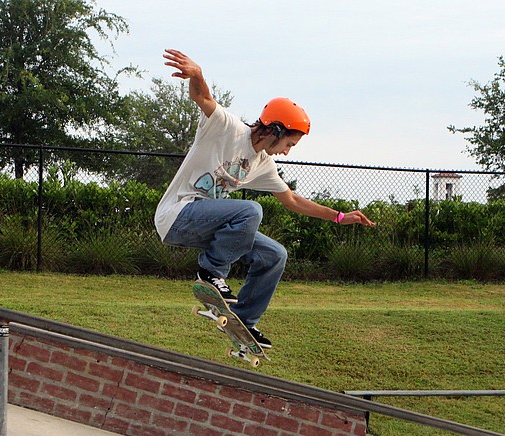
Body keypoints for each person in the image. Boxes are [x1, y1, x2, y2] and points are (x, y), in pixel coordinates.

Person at [155, 49, 375, 349]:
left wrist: (339, 216)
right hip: (177, 215)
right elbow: (203, 99)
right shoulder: (227, 129)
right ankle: (211, 273)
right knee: (250, 210)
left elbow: (293, 201)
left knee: (275, 254)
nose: (287, 151)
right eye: (289, 143)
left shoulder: (262, 163)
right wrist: (198, 75)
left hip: (206, 225)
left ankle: (244, 320)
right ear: (275, 130)